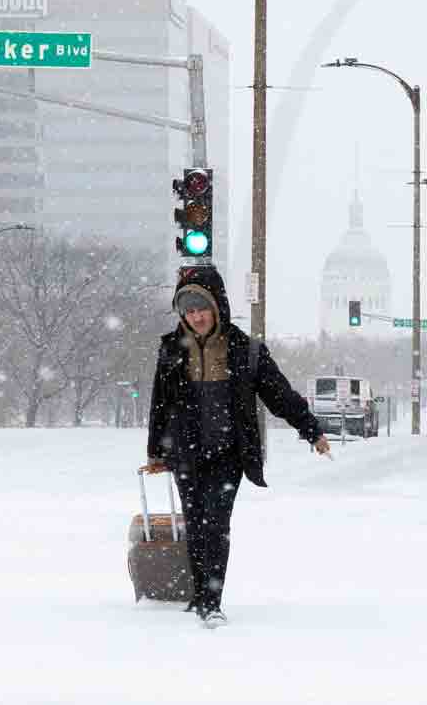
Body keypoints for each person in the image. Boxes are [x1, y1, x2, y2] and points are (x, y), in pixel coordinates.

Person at [145, 264, 330, 627]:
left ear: (218, 307)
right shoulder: (171, 349)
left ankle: (211, 601)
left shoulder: (245, 351)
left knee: (216, 523)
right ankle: (199, 594)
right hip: (187, 453)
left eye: (202, 308)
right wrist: (156, 452)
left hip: (228, 454)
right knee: (196, 526)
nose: (196, 317)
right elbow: (160, 404)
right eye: (189, 310)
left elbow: (280, 395)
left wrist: (311, 429)